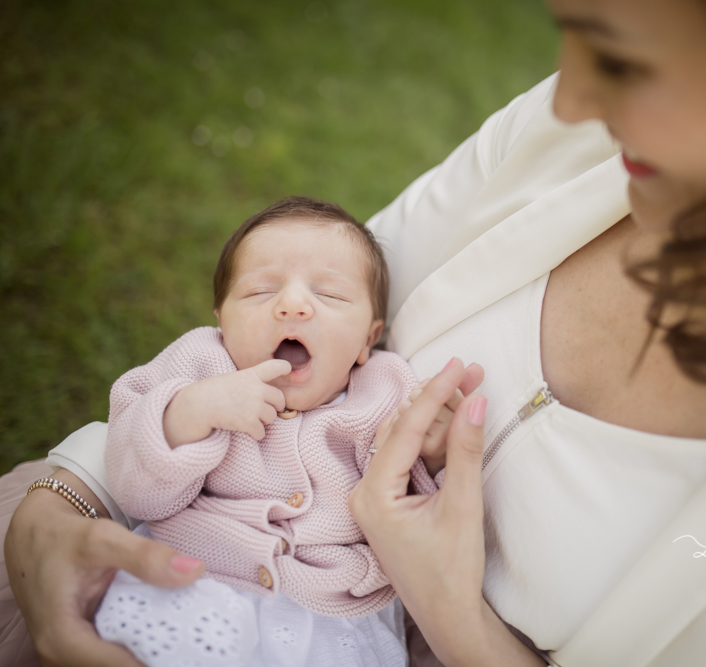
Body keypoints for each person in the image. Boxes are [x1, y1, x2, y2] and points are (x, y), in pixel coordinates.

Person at [4, 0, 706, 665]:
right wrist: (64, 494)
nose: (570, 100)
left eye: (617, 57)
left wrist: (454, 611)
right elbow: (290, 325)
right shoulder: (584, 134)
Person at [95, 195, 447, 667]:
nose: (293, 305)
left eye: (330, 295)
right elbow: (133, 489)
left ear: (368, 338)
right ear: (220, 318)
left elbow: (415, 520)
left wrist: (431, 456)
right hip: (197, 581)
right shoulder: (201, 365)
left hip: (328, 615)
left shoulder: (384, 391)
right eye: (261, 291)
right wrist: (189, 413)